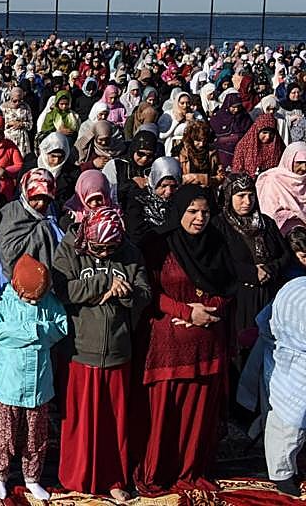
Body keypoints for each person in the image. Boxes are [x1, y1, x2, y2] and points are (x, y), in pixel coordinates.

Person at [135, 185, 233, 495]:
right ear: (178, 211)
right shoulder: (158, 245)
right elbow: (149, 291)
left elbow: (229, 286)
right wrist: (186, 312)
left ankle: (190, 470)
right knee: (165, 413)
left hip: (207, 343)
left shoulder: (217, 243)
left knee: (199, 413)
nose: (199, 218)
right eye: (192, 211)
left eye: (205, 212)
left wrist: (208, 310)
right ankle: (158, 471)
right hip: (168, 346)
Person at [52, 206, 151, 504]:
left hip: (119, 350)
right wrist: (104, 284)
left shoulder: (130, 252)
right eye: (99, 248)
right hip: (81, 349)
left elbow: (145, 292)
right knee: (80, 421)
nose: (106, 253)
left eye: (111, 248)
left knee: (114, 423)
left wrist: (126, 292)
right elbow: (62, 290)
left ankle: (113, 478)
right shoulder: (69, 249)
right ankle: (78, 477)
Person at [0, 254, 68, 502]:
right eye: (29, 298)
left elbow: (61, 327)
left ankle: (32, 478)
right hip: (9, 381)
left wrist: (40, 330)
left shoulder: (50, 301)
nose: (33, 302)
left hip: (39, 382)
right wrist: (29, 332)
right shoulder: (4, 301)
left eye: (37, 299)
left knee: (36, 435)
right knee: (4, 433)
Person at [219, 173, 291, 355]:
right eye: (240, 196)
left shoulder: (266, 223)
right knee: (243, 349)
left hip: (269, 293)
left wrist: (269, 269)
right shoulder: (219, 225)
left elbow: (285, 255)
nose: (247, 201)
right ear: (229, 196)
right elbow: (219, 261)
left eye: (251, 195)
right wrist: (250, 272)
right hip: (240, 299)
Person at [264, 276, 306, 497]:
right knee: (289, 421)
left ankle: (290, 467)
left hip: (290, 357)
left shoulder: (295, 284)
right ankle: (282, 474)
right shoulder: (298, 288)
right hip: (295, 362)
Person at [0, 168, 64, 282]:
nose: (41, 204)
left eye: (46, 199)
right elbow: (8, 254)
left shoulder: (54, 212)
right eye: (35, 198)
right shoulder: (11, 212)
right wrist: (41, 231)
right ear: (25, 192)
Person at [257, 142, 306, 234]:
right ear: (289, 160)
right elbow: (269, 212)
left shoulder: (304, 180)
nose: (303, 168)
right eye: (299, 163)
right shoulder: (273, 179)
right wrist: (297, 214)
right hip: (281, 233)